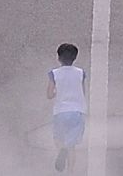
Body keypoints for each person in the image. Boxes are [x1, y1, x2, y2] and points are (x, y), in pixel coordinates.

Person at [47, 43, 87, 173]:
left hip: (60, 111)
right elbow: (83, 92)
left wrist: (56, 93)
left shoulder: (54, 74)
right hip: (77, 111)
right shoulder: (81, 73)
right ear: (75, 58)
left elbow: (49, 94)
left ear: (58, 58)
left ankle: (61, 149)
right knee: (72, 146)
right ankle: (70, 172)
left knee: (58, 138)